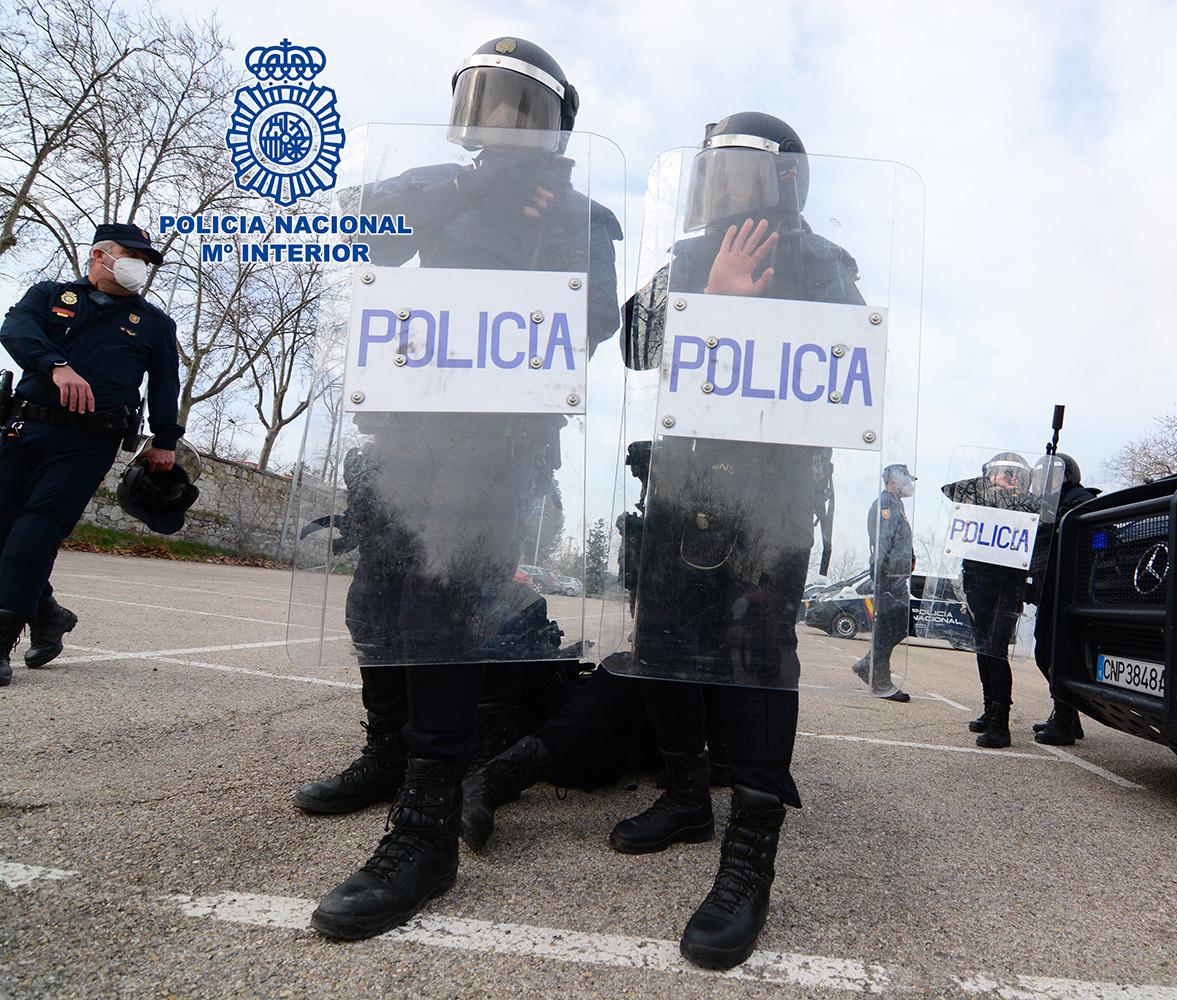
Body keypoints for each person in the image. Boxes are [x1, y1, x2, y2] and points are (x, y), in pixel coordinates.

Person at [298, 35, 622, 941]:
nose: (502, 120)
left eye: (522, 106)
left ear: (558, 125)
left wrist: (521, 239)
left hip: (498, 442)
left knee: (441, 610)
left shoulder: (581, 215)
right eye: (490, 99)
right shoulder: (441, 185)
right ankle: (388, 754)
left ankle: (428, 823)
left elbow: (591, 321)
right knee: (377, 603)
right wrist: (460, 196)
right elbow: (354, 225)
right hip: (401, 427)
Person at [612, 112, 861, 970]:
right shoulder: (685, 255)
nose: (724, 190)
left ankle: (750, 854)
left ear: (787, 181)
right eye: (714, 174)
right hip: (684, 479)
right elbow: (632, 350)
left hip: (776, 492)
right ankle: (686, 795)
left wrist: (765, 315)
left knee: (758, 649)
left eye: (742, 174)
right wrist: (705, 299)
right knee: (663, 639)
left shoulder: (827, 262)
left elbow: (850, 364)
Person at [0, 223, 180, 686]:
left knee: (37, 526)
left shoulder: (156, 324)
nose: (140, 265)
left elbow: (164, 385)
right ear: (99, 256)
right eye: (131, 254)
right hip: (24, 426)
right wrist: (57, 366)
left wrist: (165, 440)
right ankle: (48, 614)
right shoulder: (49, 294)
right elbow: (15, 329)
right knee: (5, 532)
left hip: (88, 441)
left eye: (146, 260)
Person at [943, 453, 1036, 749]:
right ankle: (989, 708)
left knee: (995, 650)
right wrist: (989, 484)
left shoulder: (1026, 504)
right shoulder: (978, 496)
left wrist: (1010, 489)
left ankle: (1001, 722)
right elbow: (950, 490)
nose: (1007, 480)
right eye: (1001, 473)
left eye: (1014, 476)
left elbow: (1043, 512)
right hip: (977, 581)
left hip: (1006, 586)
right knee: (982, 649)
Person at [1031, 453, 1100, 746]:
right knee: (1043, 653)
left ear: (1067, 475)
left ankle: (1064, 720)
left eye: (1052, 474)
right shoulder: (1047, 505)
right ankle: (1069, 715)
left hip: (1070, 592)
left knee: (1056, 654)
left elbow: (1097, 541)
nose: (1045, 481)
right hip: (1050, 590)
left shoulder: (1081, 500)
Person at [851, 464, 915, 702]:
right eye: (905, 478)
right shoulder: (886, 505)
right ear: (893, 481)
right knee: (893, 625)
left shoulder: (897, 504)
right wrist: (884, 576)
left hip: (896, 575)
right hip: (888, 576)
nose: (910, 483)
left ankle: (871, 667)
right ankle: (877, 678)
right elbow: (882, 543)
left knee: (898, 624)